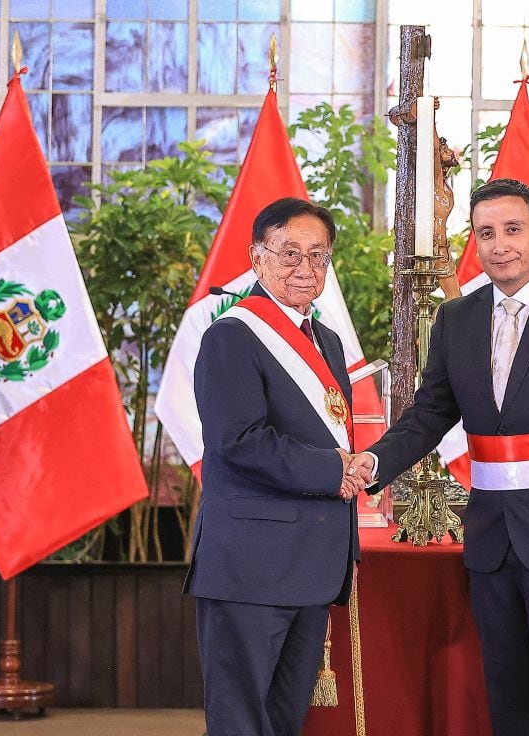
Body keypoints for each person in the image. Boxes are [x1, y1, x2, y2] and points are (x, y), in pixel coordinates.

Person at [350, 177, 529, 736]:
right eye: (486, 233)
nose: (500, 244)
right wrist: (376, 461)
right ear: (474, 242)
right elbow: (431, 412)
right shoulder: (456, 319)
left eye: (513, 230)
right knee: (507, 691)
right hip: (490, 534)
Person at [188, 197, 369, 736]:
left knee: (285, 718)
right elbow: (237, 441)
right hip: (250, 564)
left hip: (312, 564)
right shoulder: (230, 336)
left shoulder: (328, 342)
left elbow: (329, 431)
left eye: (318, 257)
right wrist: (333, 470)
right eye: (289, 254)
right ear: (257, 257)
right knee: (240, 719)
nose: (305, 269)